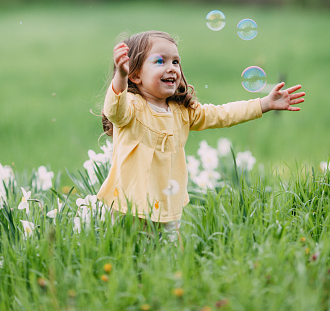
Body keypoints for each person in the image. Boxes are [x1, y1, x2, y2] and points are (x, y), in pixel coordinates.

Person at [97, 30, 305, 239]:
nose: (171, 68)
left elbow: (223, 114)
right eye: (160, 61)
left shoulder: (183, 111)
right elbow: (114, 110)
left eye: (176, 62)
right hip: (129, 203)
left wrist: (264, 104)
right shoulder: (131, 106)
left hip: (167, 201)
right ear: (135, 75)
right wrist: (120, 77)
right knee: (126, 248)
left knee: (168, 254)